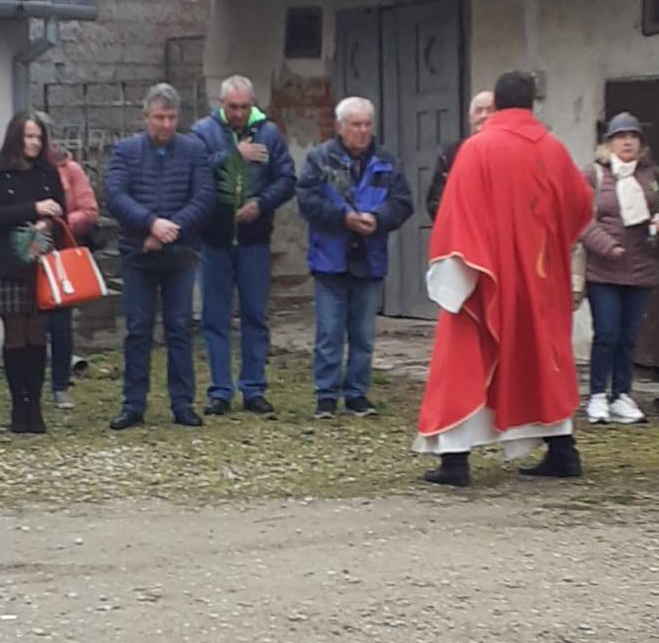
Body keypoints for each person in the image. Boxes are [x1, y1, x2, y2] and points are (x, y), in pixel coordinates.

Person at [415, 72, 594, 487]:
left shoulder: (478, 148)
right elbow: (580, 205)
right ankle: (563, 451)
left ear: (497, 103)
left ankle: (455, 461)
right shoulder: (553, 148)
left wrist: (456, 274)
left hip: (486, 276)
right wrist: (551, 245)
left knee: (464, 360)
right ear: (532, 103)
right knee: (543, 360)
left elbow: (456, 214)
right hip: (540, 276)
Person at [104, 83, 214, 430]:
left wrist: (171, 229)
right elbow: (116, 196)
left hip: (180, 254)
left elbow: (204, 197)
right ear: (145, 117)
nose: (165, 124)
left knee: (179, 328)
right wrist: (150, 224)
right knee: (138, 329)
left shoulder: (194, 150)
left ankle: (182, 403)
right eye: (159, 117)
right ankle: (133, 404)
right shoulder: (125, 151)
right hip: (138, 254)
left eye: (171, 117)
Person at [296, 96, 413, 418]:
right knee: (329, 332)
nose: (362, 131)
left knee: (363, 334)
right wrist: (343, 218)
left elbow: (403, 202)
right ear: (340, 127)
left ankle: (357, 394)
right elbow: (307, 201)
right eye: (355, 124)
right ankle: (326, 395)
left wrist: (379, 218)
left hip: (369, 257)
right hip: (330, 258)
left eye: (367, 124)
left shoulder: (387, 162)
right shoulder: (320, 159)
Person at [192, 75, 296, 416]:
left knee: (255, 316)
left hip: (254, 238)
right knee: (215, 317)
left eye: (244, 107)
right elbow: (195, 174)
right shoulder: (202, 133)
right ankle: (220, 390)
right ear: (221, 104)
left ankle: (253, 388)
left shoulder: (269, 133)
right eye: (233, 107)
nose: (238, 113)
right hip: (214, 238)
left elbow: (286, 179)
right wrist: (233, 156)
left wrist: (261, 204)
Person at [579, 112, 659, 425]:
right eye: (621, 137)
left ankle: (621, 395)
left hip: (641, 268)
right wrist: (607, 247)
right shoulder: (594, 175)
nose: (627, 142)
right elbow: (579, 218)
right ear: (609, 143)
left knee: (628, 336)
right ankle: (598, 394)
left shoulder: (655, 176)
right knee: (606, 333)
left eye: (633, 137)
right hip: (604, 270)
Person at [0, 111, 67, 435]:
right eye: (29, 136)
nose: (34, 143)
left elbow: (61, 210)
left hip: (42, 262)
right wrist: (34, 209)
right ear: (16, 137)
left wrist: (49, 221)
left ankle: (36, 405)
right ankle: (19, 404)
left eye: (39, 137)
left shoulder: (48, 172)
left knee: (37, 335)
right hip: (9, 262)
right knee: (15, 335)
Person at [45, 140, 99, 409]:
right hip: (28, 251)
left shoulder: (71, 169)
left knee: (61, 323)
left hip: (61, 255)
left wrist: (62, 222)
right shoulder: (17, 168)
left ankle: (60, 385)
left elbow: (90, 210)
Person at [426, 89, 495, 221]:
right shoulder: (451, 153)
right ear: (470, 118)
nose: (484, 115)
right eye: (478, 110)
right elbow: (435, 201)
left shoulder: (507, 150)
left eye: (490, 110)